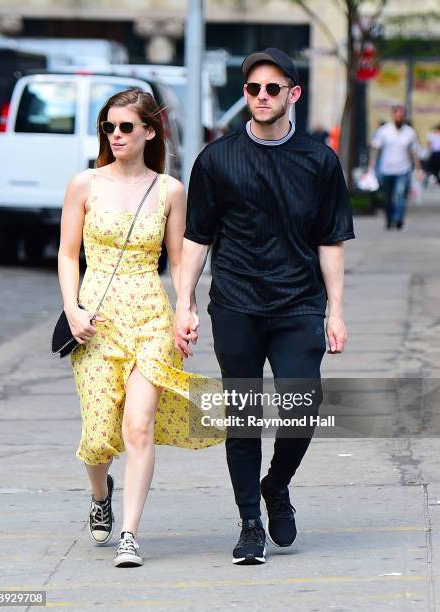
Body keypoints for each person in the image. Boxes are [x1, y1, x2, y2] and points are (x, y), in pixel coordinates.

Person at [174, 48, 355, 565]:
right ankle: (250, 521)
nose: (260, 97)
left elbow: (331, 240)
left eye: (272, 89)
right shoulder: (216, 159)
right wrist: (183, 303)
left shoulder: (320, 161)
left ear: (292, 94)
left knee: (303, 407)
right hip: (236, 303)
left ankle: (276, 485)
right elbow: (197, 238)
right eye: (252, 89)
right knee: (243, 413)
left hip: (299, 302)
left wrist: (335, 310)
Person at [57, 88, 221, 569]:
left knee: (138, 426)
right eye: (109, 126)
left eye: (126, 126)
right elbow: (68, 254)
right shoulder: (83, 184)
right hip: (96, 321)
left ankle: (129, 534)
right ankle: (99, 493)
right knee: (97, 437)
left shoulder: (169, 190)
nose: (116, 135)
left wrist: (185, 311)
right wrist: (73, 310)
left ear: (150, 131)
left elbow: (178, 262)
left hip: (150, 316)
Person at [368, 104, 423, 230]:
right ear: (393, 115)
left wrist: (418, 169)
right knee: (387, 196)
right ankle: (389, 219)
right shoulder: (384, 131)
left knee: (399, 194)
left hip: (403, 169)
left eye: (401, 114)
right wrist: (371, 166)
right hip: (386, 169)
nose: (399, 116)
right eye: (397, 114)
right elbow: (376, 149)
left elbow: (415, 152)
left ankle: (398, 220)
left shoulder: (410, 132)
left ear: (404, 116)